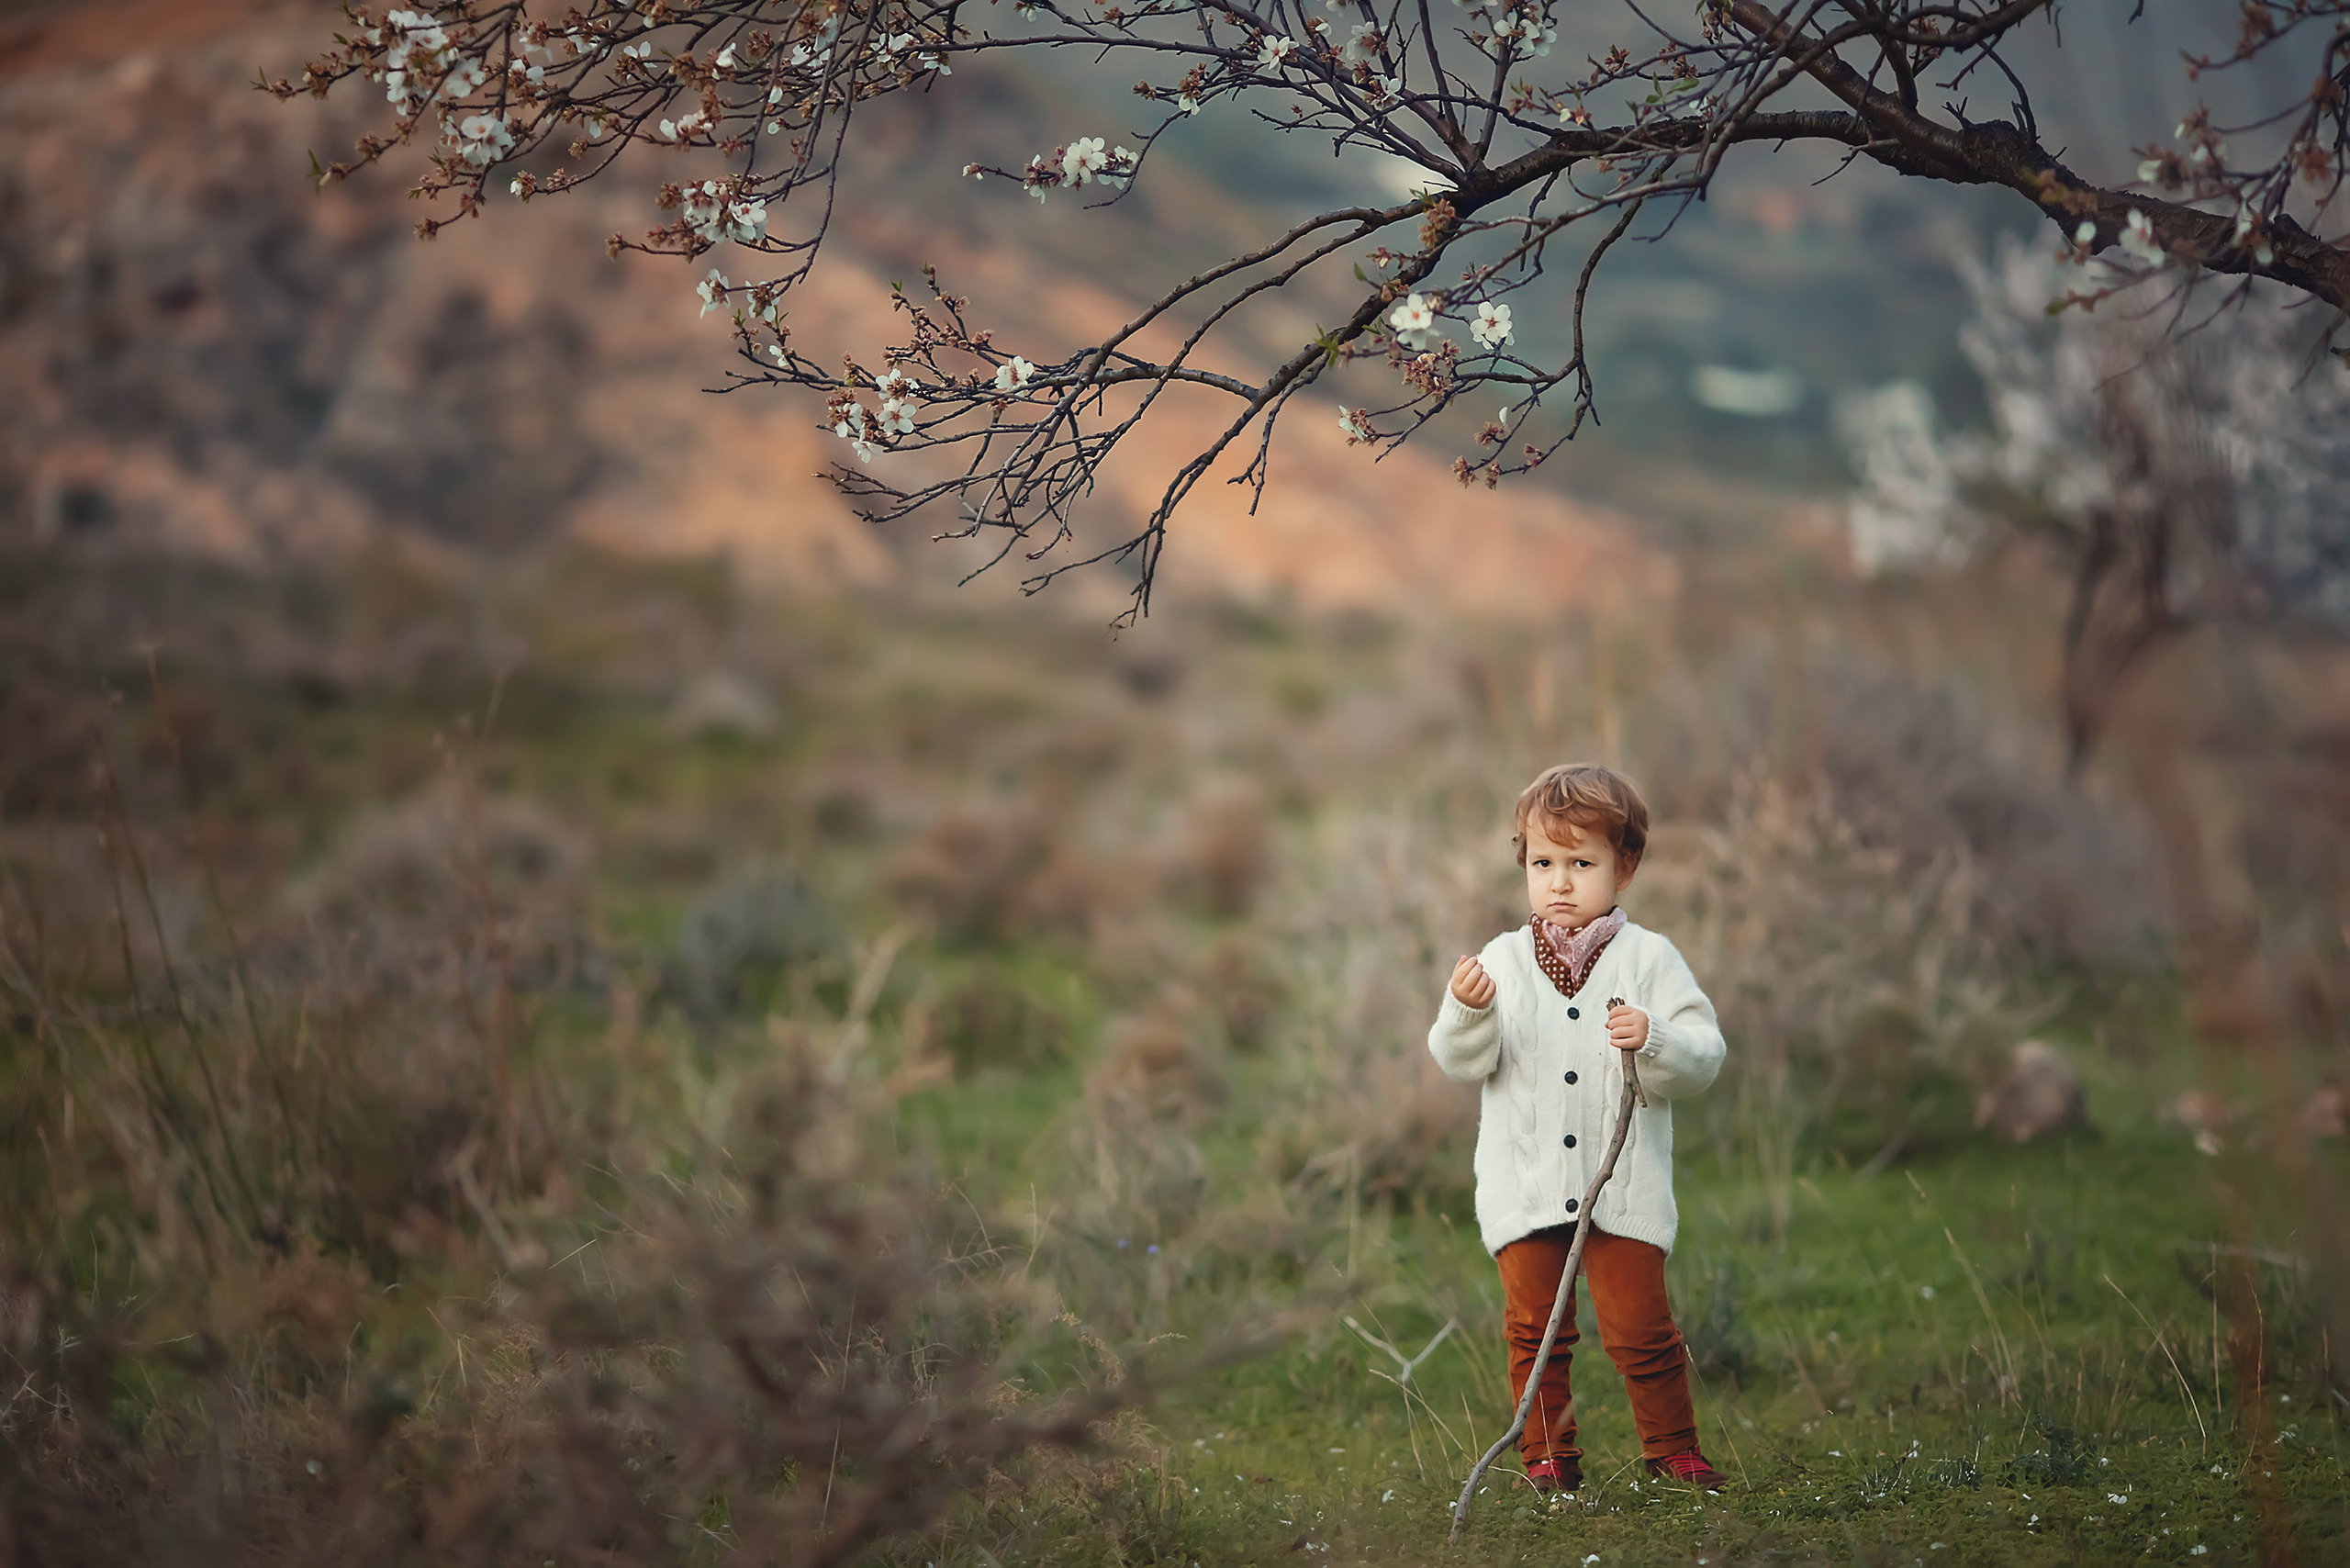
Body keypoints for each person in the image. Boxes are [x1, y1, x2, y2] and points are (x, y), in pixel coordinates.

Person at [1427, 763, 1729, 1495]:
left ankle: (1672, 1450)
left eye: (1581, 863)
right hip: (1525, 1184)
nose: (1559, 882)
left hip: (1621, 1189)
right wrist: (1466, 1012)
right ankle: (1548, 1460)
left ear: (1624, 868)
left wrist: (1654, 1038)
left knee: (1642, 1331)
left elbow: (1704, 1057)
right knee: (1535, 1332)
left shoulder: (1650, 959)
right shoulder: (1500, 962)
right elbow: (1459, 1059)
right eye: (1542, 863)